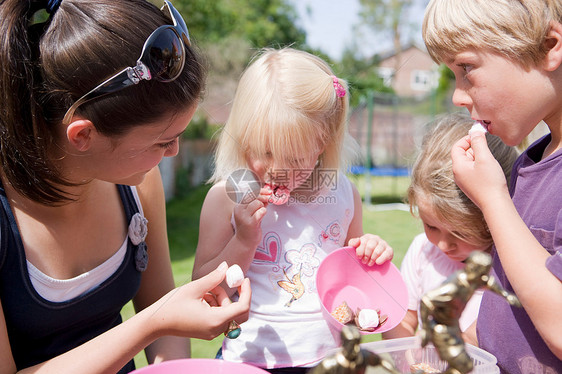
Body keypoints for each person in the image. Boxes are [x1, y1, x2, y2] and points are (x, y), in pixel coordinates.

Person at [0, 0, 251, 373]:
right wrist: (153, 323)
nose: (174, 152)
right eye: (162, 141)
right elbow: (159, 317)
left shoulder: (138, 184)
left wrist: (168, 336)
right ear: (83, 135)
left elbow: (164, 320)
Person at [192, 47, 394, 373]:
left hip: (330, 359)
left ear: (323, 142)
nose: (276, 170)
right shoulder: (226, 198)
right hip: (251, 357)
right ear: (243, 137)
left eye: (296, 160)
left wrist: (369, 252)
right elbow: (203, 288)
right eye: (265, 152)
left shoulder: (344, 195)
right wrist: (244, 237)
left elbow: (350, 274)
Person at [422, 0, 562, 372]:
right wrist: (468, 340)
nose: (457, 94)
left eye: (466, 68)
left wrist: (492, 198)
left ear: (549, 47)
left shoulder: (501, 188)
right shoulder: (529, 163)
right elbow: (513, 300)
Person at [382, 113, 518, 345]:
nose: (444, 245)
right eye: (431, 226)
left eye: (461, 233)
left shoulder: (511, 268)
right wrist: (409, 354)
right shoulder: (423, 252)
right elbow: (405, 320)